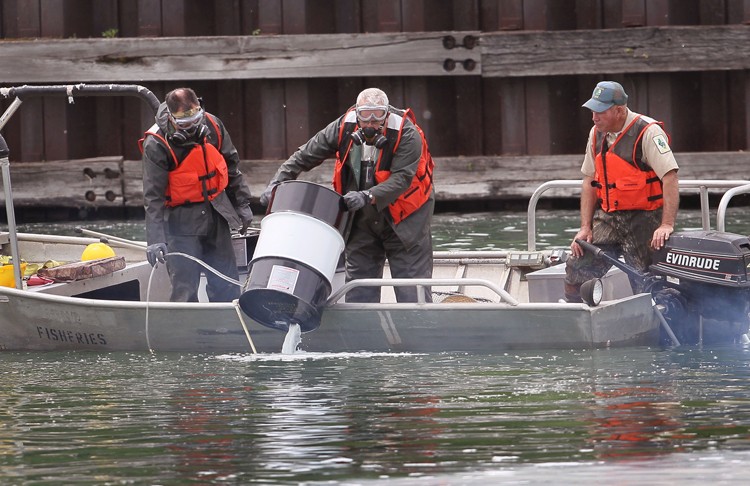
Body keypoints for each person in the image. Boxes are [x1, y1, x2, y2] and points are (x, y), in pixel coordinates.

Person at [259, 87, 434, 303]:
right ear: (357, 113)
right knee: (359, 291)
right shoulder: (344, 126)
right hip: (362, 220)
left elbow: (402, 179)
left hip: (406, 222)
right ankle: (363, 335)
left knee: (412, 292)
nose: (371, 122)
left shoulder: (407, 134)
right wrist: (277, 182)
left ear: (387, 113)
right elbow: (304, 155)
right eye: (365, 115)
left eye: (377, 115)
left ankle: (420, 332)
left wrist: (367, 195)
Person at [565, 81, 679, 302]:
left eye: (600, 112)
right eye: (592, 111)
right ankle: (576, 320)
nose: (594, 118)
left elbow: (670, 177)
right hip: (608, 218)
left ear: (619, 110)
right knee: (577, 264)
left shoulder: (648, 131)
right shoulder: (596, 134)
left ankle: (655, 326)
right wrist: (585, 227)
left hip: (644, 219)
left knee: (646, 281)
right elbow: (589, 179)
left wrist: (666, 224)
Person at [140, 87, 254, 302]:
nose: (193, 128)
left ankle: (229, 329)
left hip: (216, 211)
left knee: (226, 281)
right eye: (185, 124)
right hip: (179, 222)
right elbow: (152, 196)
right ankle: (188, 332)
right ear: (173, 119)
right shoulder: (156, 144)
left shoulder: (213, 126)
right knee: (185, 286)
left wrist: (242, 204)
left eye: (196, 120)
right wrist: (155, 239)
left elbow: (231, 167)